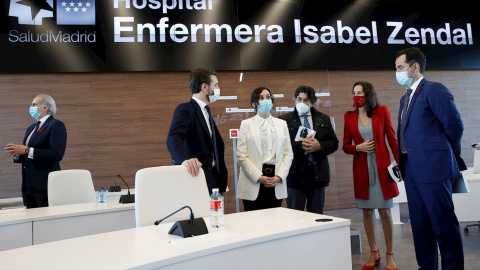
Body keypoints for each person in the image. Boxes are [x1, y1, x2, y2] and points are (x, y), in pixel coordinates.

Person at [395, 47, 464, 270]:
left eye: (400, 67)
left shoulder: (434, 90)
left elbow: (454, 127)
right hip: (412, 170)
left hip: (434, 168)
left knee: (443, 226)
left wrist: (443, 154)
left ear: (415, 67)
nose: (397, 72)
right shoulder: (404, 98)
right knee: (420, 227)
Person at [342, 82, 399, 270]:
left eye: (360, 92)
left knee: (385, 212)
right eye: (354, 93)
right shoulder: (349, 116)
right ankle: (374, 252)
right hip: (361, 169)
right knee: (367, 212)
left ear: (368, 94)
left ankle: (390, 255)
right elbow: (345, 146)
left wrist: (402, 164)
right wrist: (357, 147)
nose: (357, 95)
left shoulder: (382, 111)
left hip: (381, 168)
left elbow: (392, 138)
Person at [167, 68, 228, 195]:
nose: (218, 88)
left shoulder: (206, 111)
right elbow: (174, 137)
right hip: (197, 178)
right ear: (204, 87)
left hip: (214, 182)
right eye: (215, 85)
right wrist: (184, 160)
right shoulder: (186, 109)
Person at [278, 85, 338, 214]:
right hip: (295, 176)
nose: (302, 103)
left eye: (306, 100)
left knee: (317, 216)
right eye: (299, 99)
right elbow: (279, 147)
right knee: (295, 217)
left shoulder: (323, 119)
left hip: (318, 176)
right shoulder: (284, 120)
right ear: (294, 99)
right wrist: (300, 146)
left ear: (312, 102)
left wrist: (320, 146)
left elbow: (334, 143)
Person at [5, 94, 67, 209]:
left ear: (45, 107)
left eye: (34, 104)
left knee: (45, 221)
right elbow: (28, 153)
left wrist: (27, 150)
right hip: (28, 184)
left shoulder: (56, 125)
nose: (31, 107)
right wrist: (18, 152)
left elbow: (57, 154)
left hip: (44, 184)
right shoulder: (31, 127)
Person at [237, 87, 293, 211]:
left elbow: (288, 154)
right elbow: (241, 155)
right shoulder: (246, 124)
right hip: (253, 180)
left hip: (276, 179)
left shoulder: (282, 124)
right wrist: (258, 177)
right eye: (261, 98)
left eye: (268, 97)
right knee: (253, 222)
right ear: (254, 104)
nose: (265, 100)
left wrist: (280, 176)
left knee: (275, 220)